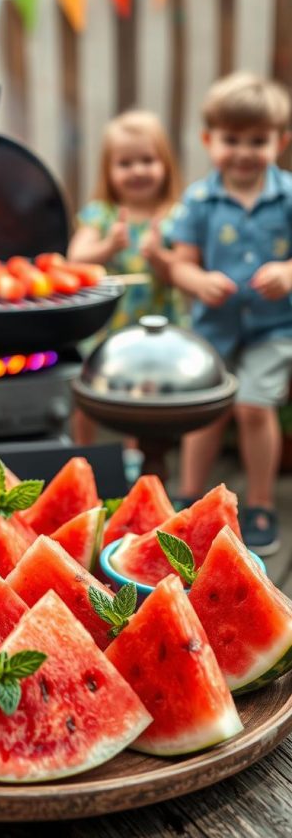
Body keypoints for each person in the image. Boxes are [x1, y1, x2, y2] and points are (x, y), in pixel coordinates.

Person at [171, 71, 292, 556]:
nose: (243, 151)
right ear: (208, 140)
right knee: (205, 412)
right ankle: (190, 497)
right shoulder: (199, 201)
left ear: (280, 142)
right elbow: (180, 263)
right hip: (213, 332)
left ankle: (260, 501)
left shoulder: (287, 196)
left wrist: (287, 271)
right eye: (231, 139)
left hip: (274, 329)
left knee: (254, 406)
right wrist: (198, 280)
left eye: (257, 140)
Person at [68, 109, 184, 446]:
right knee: (86, 394)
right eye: (125, 163)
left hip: (155, 327)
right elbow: (76, 258)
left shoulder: (177, 215)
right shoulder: (101, 214)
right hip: (110, 324)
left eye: (147, 160)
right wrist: (108, 246)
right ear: (109, 170)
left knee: (140, 397)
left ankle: (136, 459)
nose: (137, 171)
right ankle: (83, 453)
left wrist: (160, 257)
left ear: (165, 164)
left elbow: (182, 271)